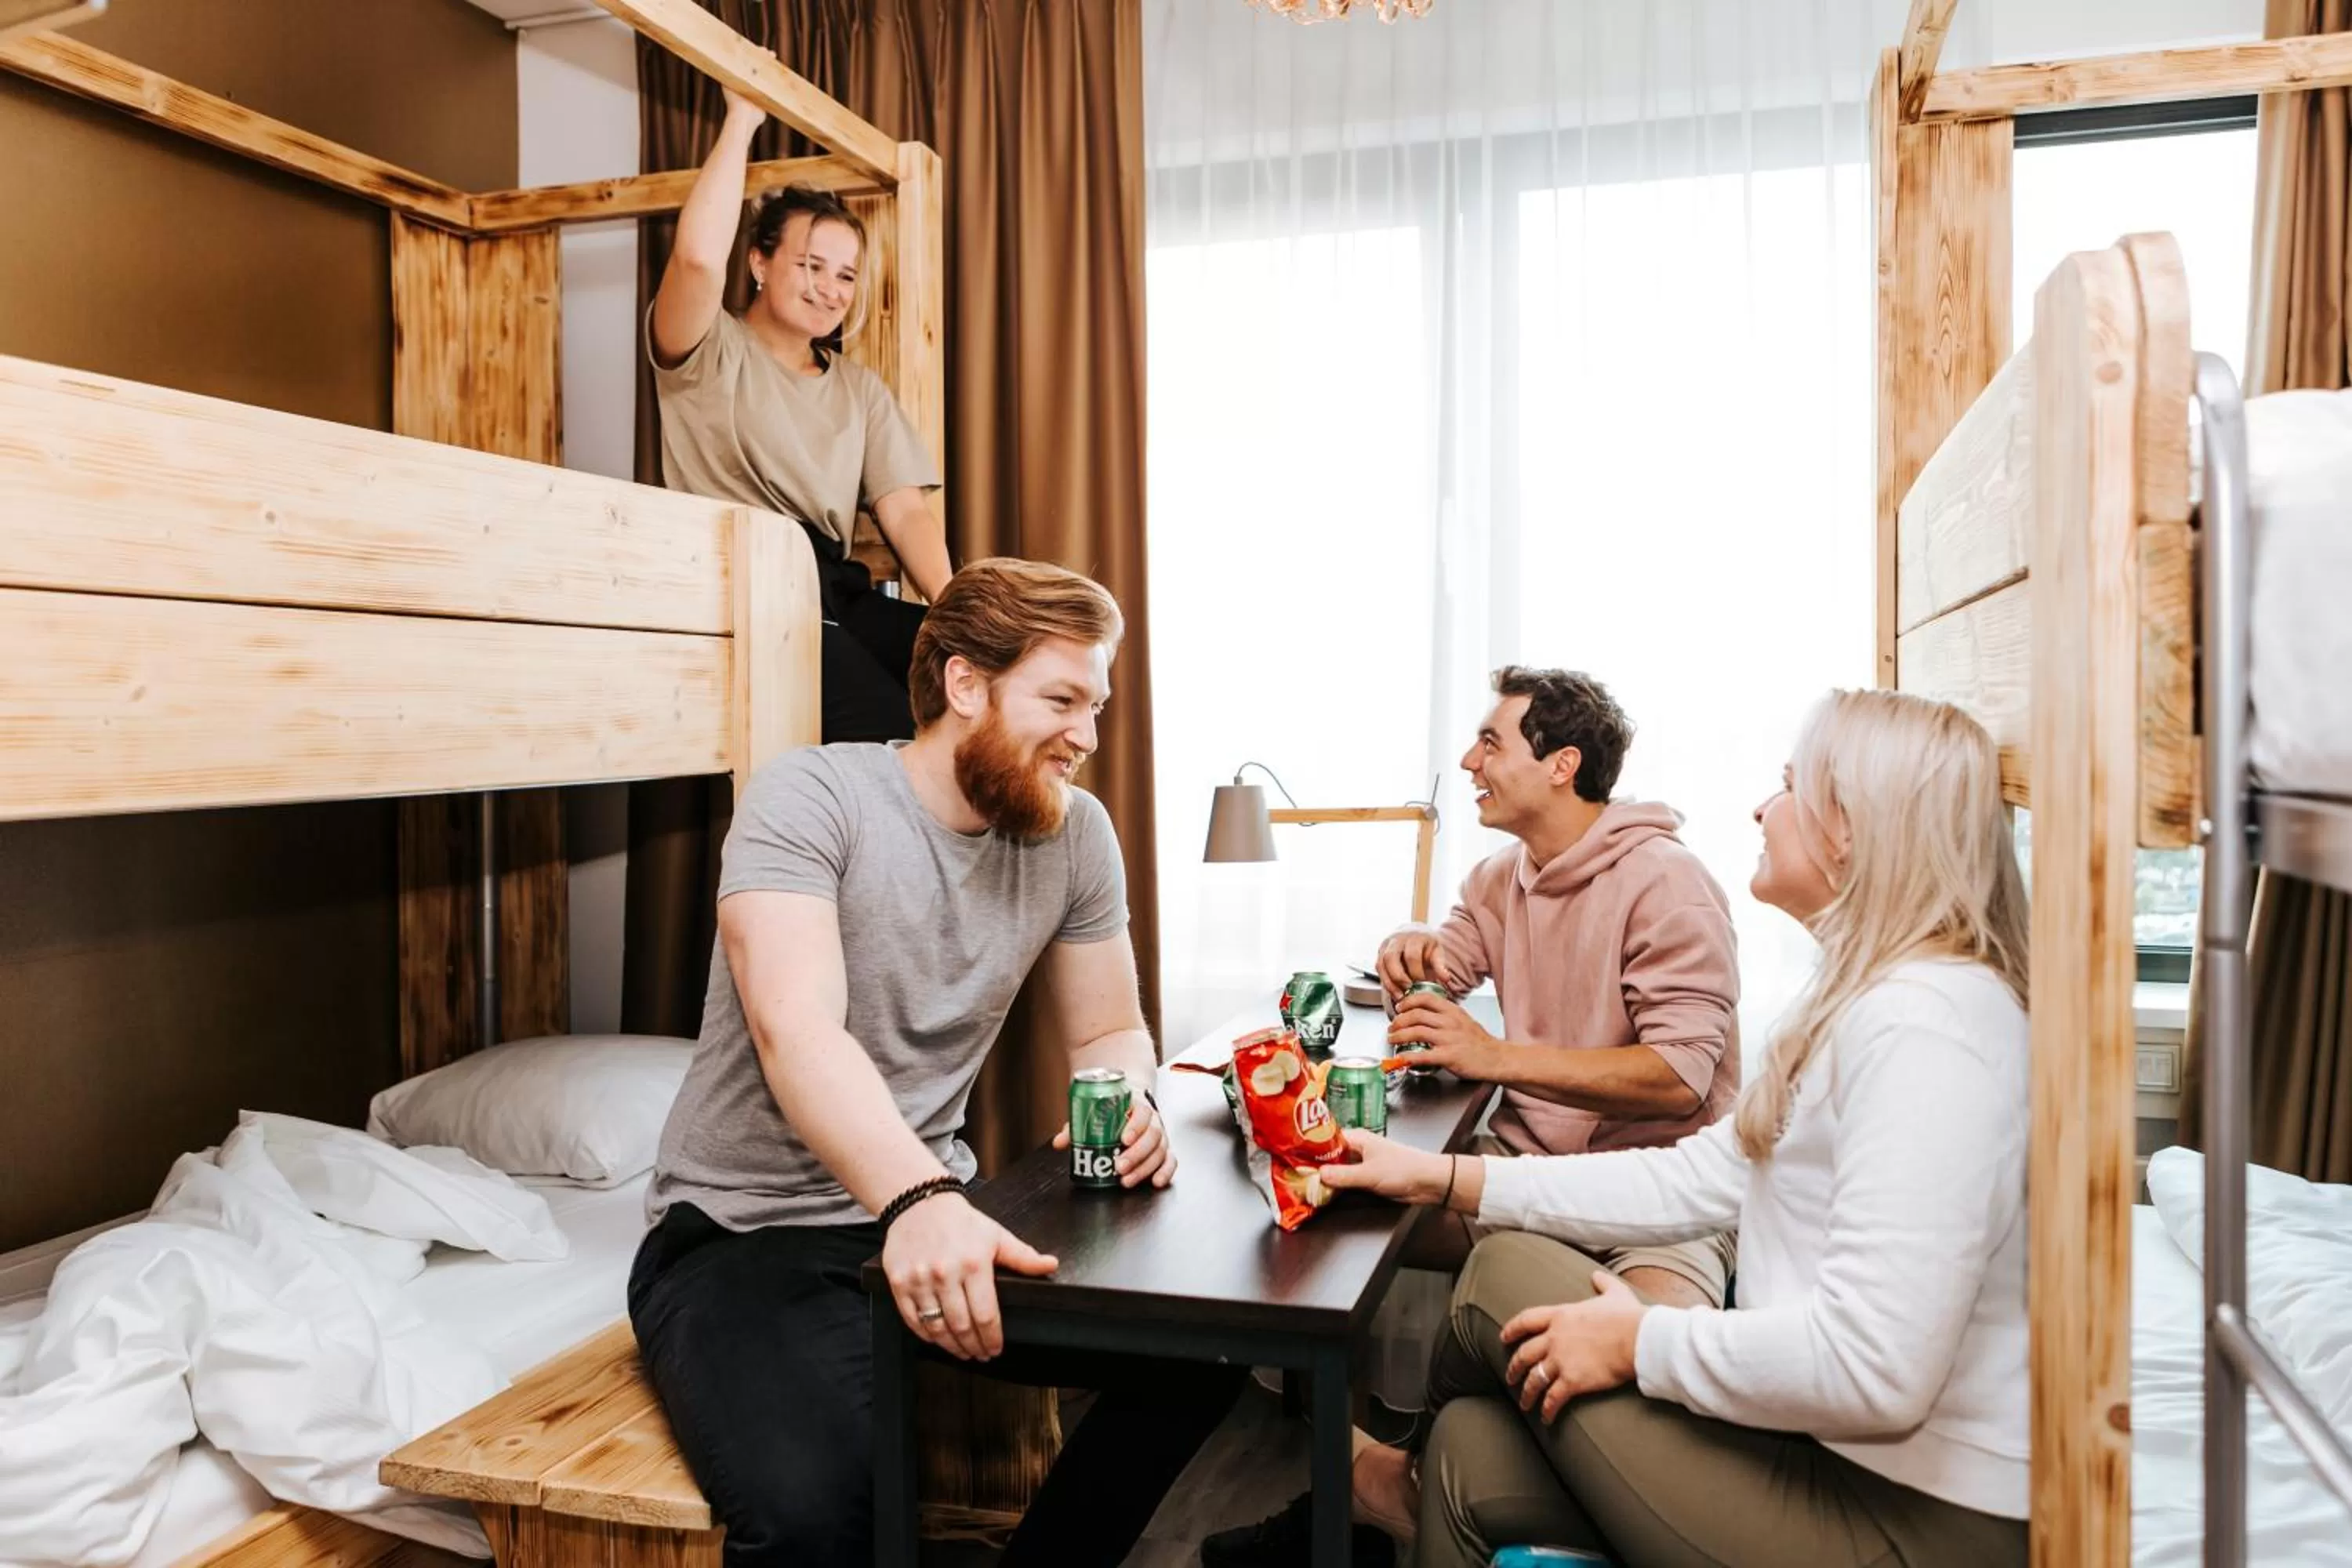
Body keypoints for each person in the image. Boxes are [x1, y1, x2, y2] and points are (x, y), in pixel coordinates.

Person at [1320, 688, 2031, 1568]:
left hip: (1907, 1512)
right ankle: (1399, 1480)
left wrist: (1642, 1341)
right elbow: (1701, 1172)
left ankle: (1352, 1475)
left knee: (1502, 1268)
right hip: (1822, 1444)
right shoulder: (1869, 996)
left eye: (1787, 786)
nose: (1763, 807)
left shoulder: (1930, 1027)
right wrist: (1443, 1176)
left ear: (1849, 826)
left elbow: (1878, 1367)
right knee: (1467, 1445)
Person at [629, 557, 1243, 1568]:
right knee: (823, 1513)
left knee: (1208, 1346)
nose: (1087, 737)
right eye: (1062, 700)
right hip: (748, 1233)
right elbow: (798, 1032)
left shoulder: (1075, 834)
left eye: (1097, 706)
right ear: (966, 685)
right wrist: (916, 1199)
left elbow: (1108, 1033)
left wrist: (1129, 1102)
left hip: (939, 1208)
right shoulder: (810, 795)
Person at [1203, 666, 1743, 1567]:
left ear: (1563, 762)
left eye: (1492, 742)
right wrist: (1407, 950)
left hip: (1659, 1202)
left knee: (1644, 1415)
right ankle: (1349, 1500)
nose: (1468, 760)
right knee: (1323, 1223)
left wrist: (1493, 1055)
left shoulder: (1667, 883)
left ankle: (1396, 1488)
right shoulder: (1501, 875)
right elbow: (1442, 961)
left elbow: (1682, 1078)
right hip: (1516, 1169)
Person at [648, 85, 952, 743]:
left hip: (833, 587)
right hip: (747, 586)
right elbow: (698, 258)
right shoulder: (707, 349)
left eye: (846, 276)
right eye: (811, 265)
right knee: (891, 729)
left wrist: (961, 613)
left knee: (977, 674)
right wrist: (743, 117)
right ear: (757, 262)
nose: (830, 289)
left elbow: (905, 511)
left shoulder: (858, 389)